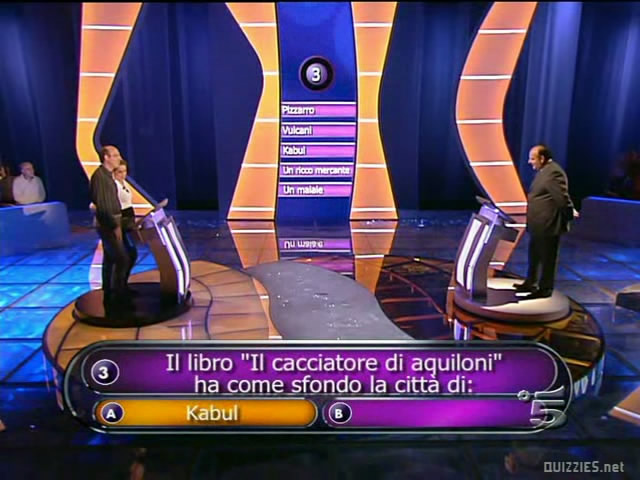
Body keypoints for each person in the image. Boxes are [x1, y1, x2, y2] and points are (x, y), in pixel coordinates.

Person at [514, 145, 579, 299]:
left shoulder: (554, 172)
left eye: (532, 158)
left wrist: (570, 212)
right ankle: (531, 282)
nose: (529, 162)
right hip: (538, 224)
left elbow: (561, 198)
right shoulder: (544, 171)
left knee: (547, 258)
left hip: (548, 225)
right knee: (535, 256)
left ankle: (545, 289)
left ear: (542, 158)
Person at [89, 145, 133, 302]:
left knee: (110, 259)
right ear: (106, 158)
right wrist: (115, 227)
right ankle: (118, 295)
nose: (119, 158)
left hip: (111, 224)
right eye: (115, 155)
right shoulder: (101, 177)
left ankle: (109, 292)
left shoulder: (106, 176)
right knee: (122, 259)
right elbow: (105, 207)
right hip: (108, 226)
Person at [113, 159, 138, 284]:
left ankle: (123, 283)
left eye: (125, 171)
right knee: (128, 254)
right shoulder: (113, 186)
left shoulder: (124, 184)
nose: (123, 174)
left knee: (131, 254)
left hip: (128, 221)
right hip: (121, 222)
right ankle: (119, 285)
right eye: (120, 172)